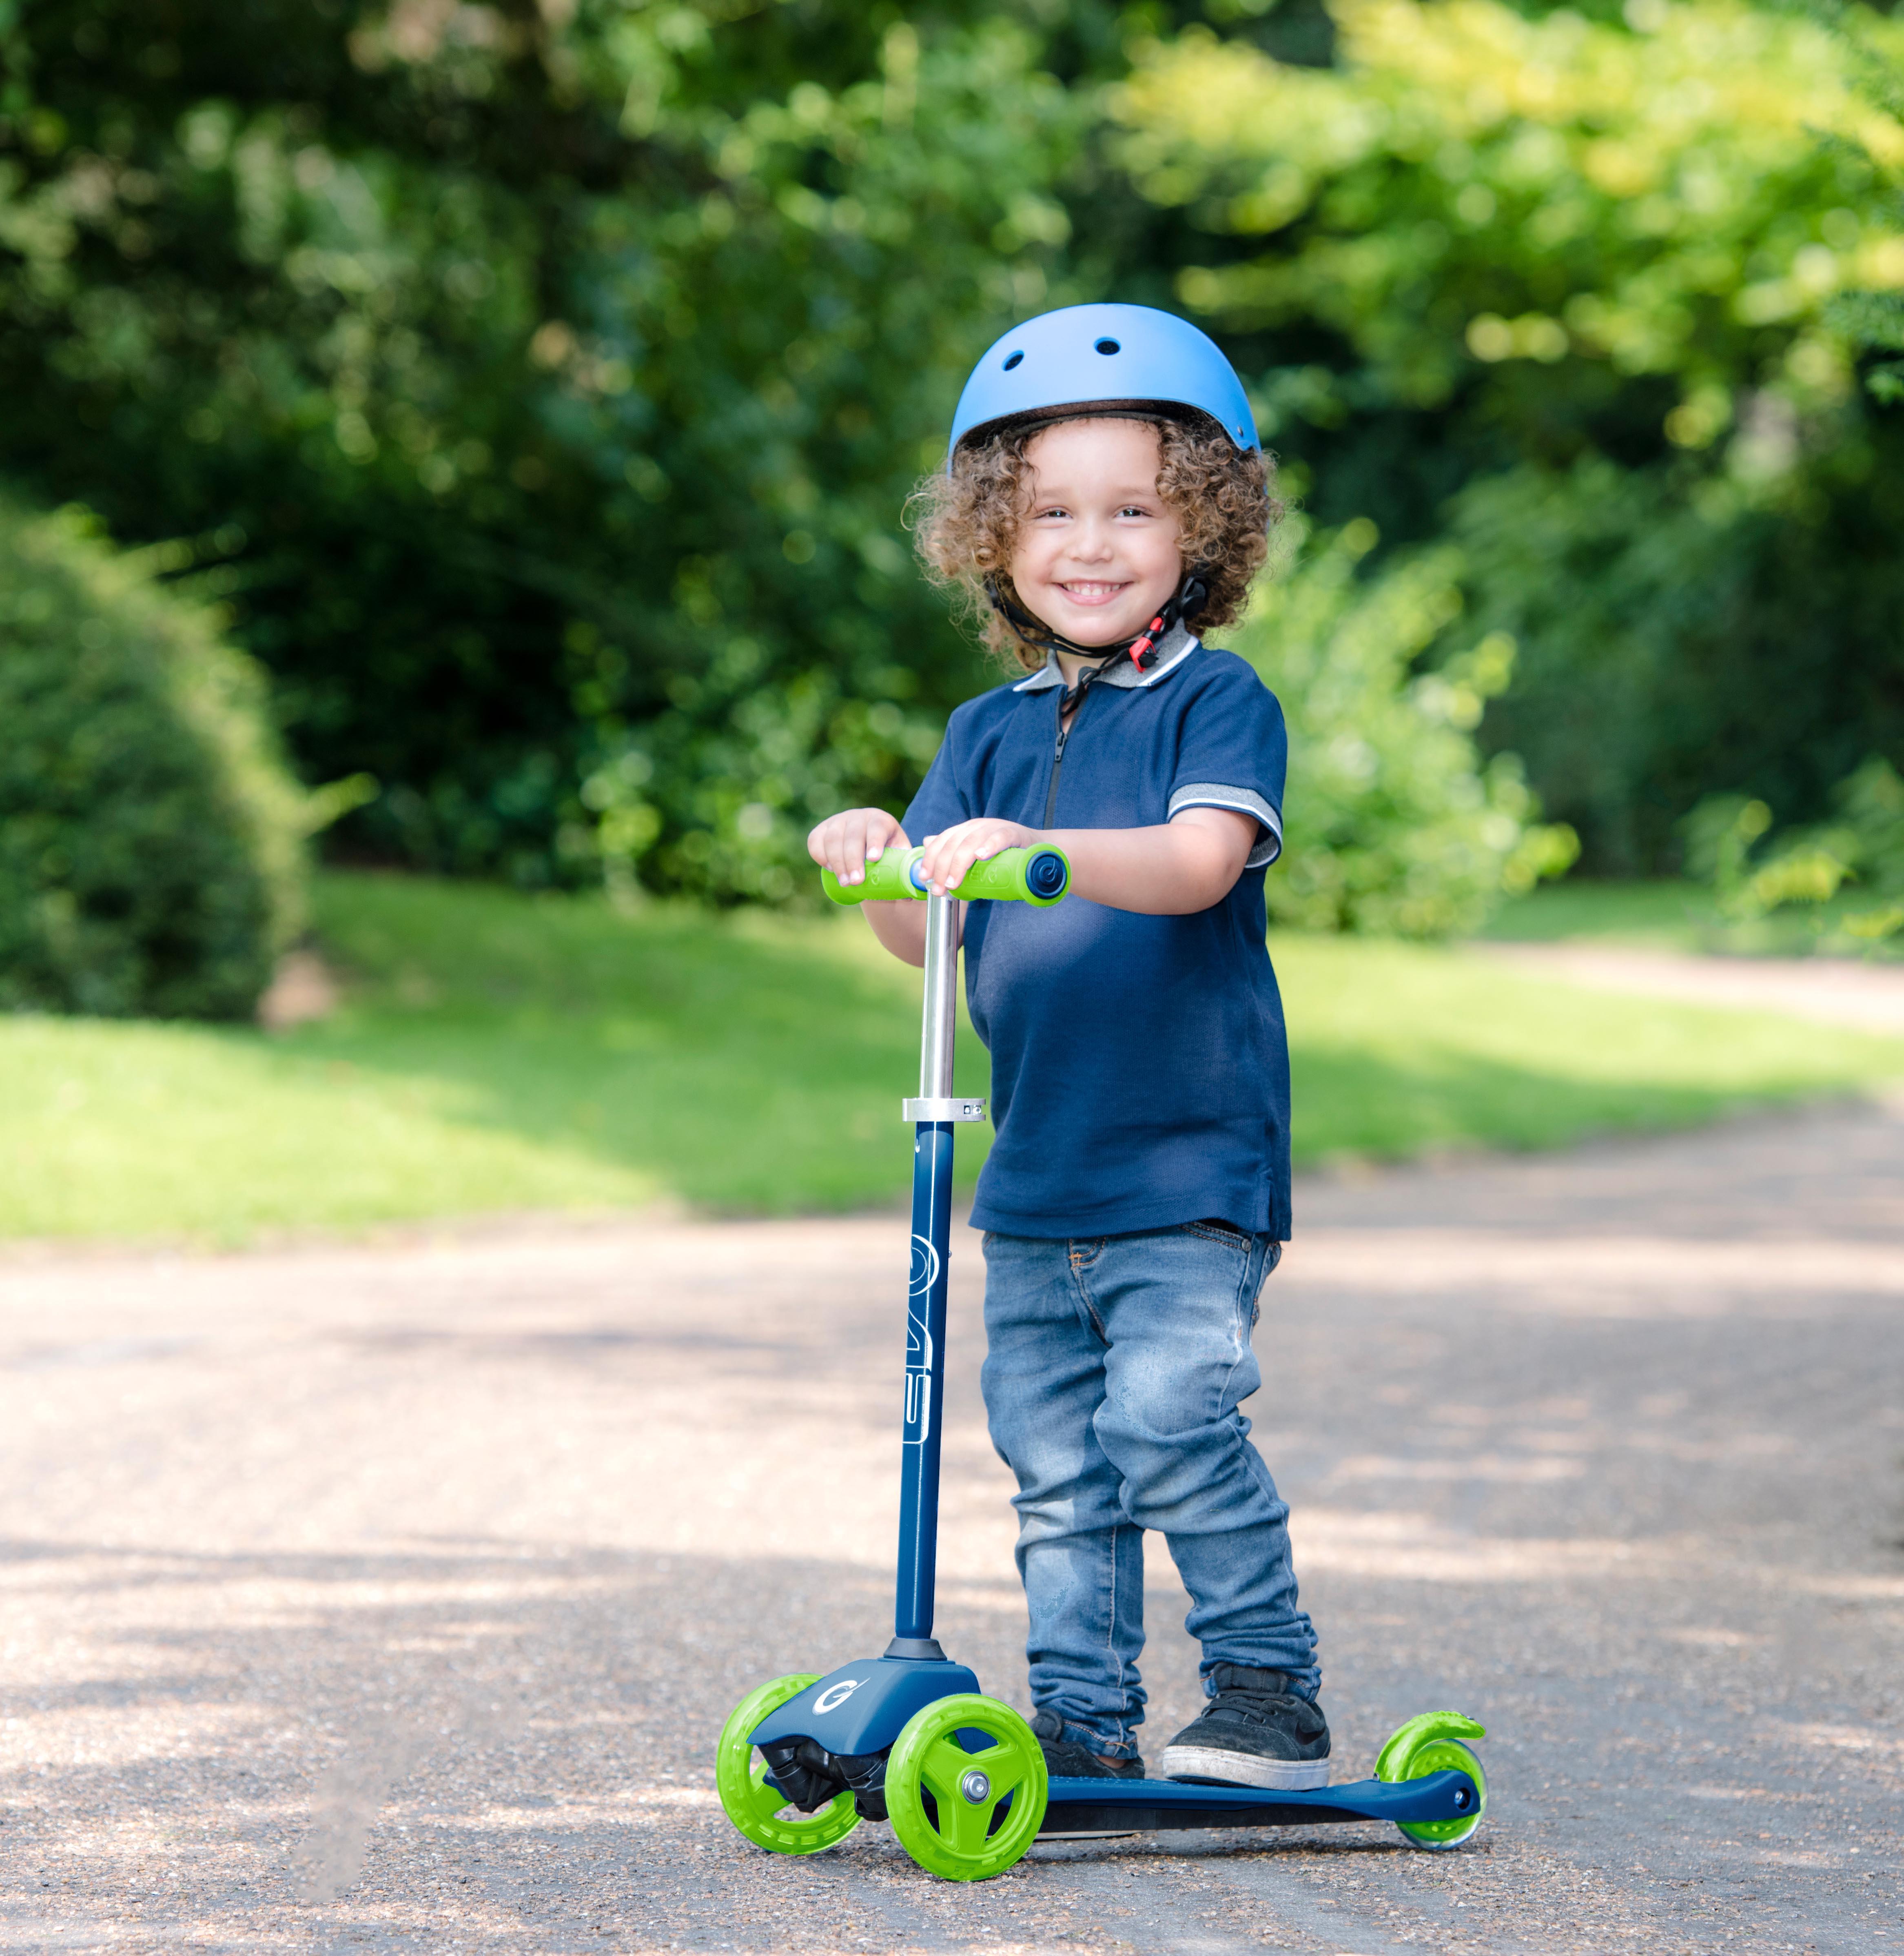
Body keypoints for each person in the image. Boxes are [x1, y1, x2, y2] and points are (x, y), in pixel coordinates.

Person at [806, 304, 1326, 1790]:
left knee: (1168, 1422)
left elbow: (1198, 863)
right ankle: (1083, 1722)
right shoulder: (984, 730)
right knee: (1056, 1466)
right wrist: (881, 861)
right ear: (994, 531)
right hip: (1036, 1175)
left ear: (1202, 528)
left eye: (1132, 510)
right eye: (1049, 512)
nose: (1088, 545)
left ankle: (1267, 1691)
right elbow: (926, 935)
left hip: (1186, 1165)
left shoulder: (1215, 702)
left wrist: (1037, 848)